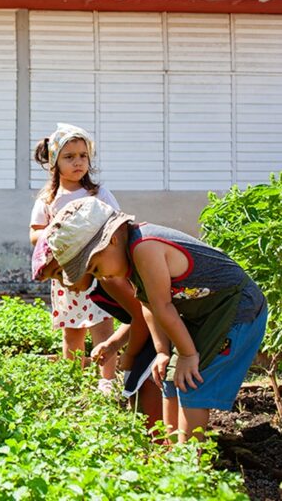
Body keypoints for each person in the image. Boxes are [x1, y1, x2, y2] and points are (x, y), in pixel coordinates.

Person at [47, 197, 267, 442]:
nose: (101, 276)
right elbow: (148, 306)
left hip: (235, 308)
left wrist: (187, 354)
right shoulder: (129, 259)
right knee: (170, 379)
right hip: (203, 314)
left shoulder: (145, 247)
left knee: (191, 382)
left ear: (112, 240)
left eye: (96, 268)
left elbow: (163, 306)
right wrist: (163, 351)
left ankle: (190, 463)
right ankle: (171, 456)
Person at [32, 234, 162, 432]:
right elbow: (138, 317)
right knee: (138, 387)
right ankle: (158, 445)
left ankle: (168, 448)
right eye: (57, 279)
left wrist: (129, 355)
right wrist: (114, 345)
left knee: (149, 384)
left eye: (61, 273)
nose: (64, 284)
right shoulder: (97, 284)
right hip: (155, 331)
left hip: (164, 333)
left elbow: (144, 316)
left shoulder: (108, 279)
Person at [29, 123, 117, 393]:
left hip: (98, 274)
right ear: (55, 163)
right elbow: (35, 233)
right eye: (69, 157)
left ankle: (107, 380)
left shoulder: (98, 194)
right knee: (72, 330)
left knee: (103, 324)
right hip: (66, 278)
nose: (78, 162)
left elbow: (116, 224)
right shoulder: (49, 199)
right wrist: (58, 234)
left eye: (83, 156)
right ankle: (73, 381)